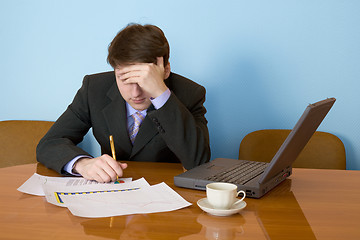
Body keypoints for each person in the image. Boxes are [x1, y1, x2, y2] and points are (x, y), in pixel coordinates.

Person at [36, 23, 211, 183]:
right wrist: (82, 164)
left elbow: (198, 163)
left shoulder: (190, 93)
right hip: (111, 195)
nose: (135, 93)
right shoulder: (94, 89)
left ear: (165, 70)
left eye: (144, 80)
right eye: (125, 79)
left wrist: (160, 94)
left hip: (166, 198)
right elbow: (50, 143)